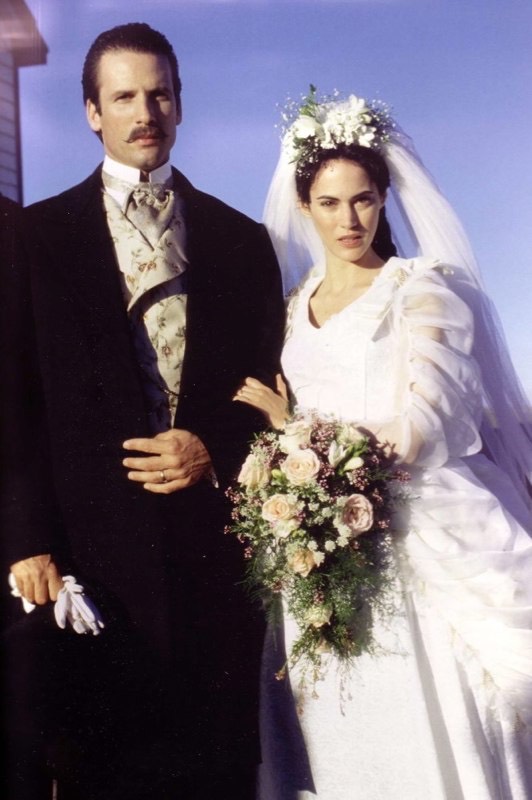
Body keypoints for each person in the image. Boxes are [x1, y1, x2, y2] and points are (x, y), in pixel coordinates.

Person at [1, 22, 284, 800]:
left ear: (179, 104)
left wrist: (212, 447)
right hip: (90, 554)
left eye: (158, 94)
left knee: (218, 770)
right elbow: (11, 395)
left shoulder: (241, 239)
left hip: (212, 553)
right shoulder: (34, 235)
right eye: (123, 96)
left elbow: (268, 385)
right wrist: (27, 539)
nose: (144, 112)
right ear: (93, 112)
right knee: (101, 771)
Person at [233, 90, 532, 799]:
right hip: (326, 552)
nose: (349, 220)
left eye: (363, 200)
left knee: (435, 723)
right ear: (304, 206)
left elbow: (424, 428)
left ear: (384, 198)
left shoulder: (422, 293)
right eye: (330, 203)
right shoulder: (291, 312)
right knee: (348, 734)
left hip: (416, 536)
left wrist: (294, 433)